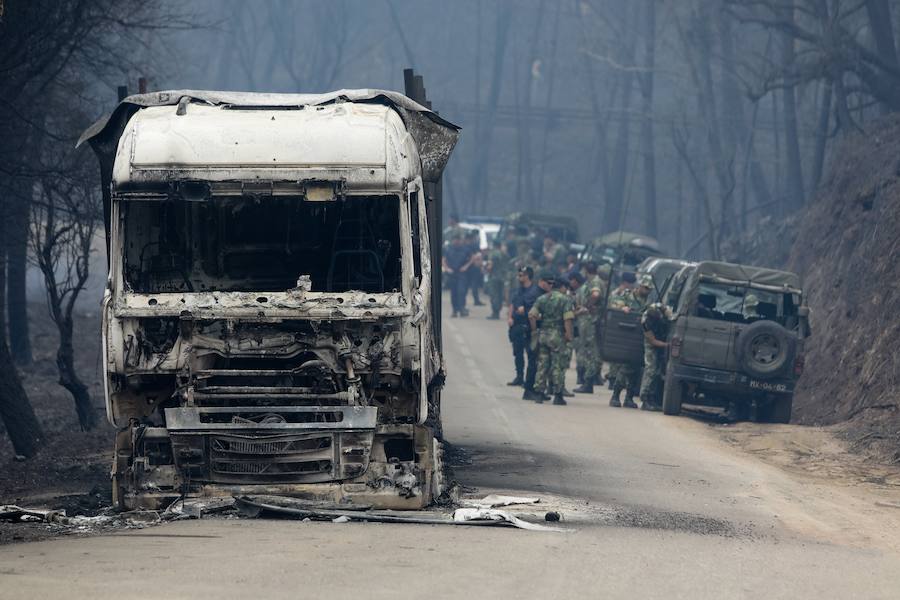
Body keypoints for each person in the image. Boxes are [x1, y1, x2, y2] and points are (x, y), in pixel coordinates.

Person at [528, 271, 575, 405]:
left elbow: (531, 315)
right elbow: (568, 319)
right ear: (562, 287)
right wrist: (569, 334)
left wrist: (534, 330)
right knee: (557, 366)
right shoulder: (565, 300)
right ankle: (558, 395)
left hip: (543, 335)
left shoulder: (542, 298)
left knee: (542, 364)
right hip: (557, 336)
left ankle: (539, 394)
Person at [607, 272, 650, 408]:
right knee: (626, 367)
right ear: (640, 286)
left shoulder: (647, 301)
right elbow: (613, 304)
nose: (647, 291)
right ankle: (615, 395)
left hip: (639, 337)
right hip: (625, 334)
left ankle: (629, 398)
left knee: (635, 368)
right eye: (645, 288)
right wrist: (622, 307)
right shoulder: (627, 295)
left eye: (649, 289)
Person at [573, 262, 606, 394]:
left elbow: (595, 295)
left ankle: (588, 383)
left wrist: (586, 306)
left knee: (590, 352)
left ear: (586, 270)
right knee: (589, 351)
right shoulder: (592, 281)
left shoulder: (595, 282)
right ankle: (588, 381)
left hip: (591, 320)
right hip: (589, 321)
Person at [507, 266, 542, 392]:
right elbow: (512, 304)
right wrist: (509, 317)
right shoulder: (517, 290)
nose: (519, 277)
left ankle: (529, 380)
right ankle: (519, 376)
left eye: (521, 275)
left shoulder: (535, 291)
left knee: (531, 353)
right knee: (517, 353)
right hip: (516, 325)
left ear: (527, 276)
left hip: (528, 325)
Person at [639, 300, 669, 411]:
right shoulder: (646, 322)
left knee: (658, 372)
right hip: (652, 344)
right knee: (650, 370)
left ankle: (652, 398)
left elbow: (669, 313)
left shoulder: (658, 307)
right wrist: (667, 345)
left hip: (661, 337)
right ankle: (645, 399)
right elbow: (652, 341)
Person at [442, 232, 473, 318]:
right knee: (454, 293)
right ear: (453, 240)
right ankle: (455, 310)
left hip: (462, 274)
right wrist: (447, 268)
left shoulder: (466, 249)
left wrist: (466, 267)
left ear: (460, 240)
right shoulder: (449, 249)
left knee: (461, 291)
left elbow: (472, 258)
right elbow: (443, 259)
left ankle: (462, 308)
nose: (456, 241)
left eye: (458, 240)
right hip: (452, 274)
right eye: (455, 240)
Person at [484, 238, 510, 320]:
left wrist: (486, 269)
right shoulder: (505, 254)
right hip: (503, 277)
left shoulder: (493, 253)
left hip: (494, 277)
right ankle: (497, 312)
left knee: (494, 295)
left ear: (494, 245)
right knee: (499, 295)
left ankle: (495, 313)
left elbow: (490, 265)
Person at [464, 229, 485, 306]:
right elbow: (478, 256)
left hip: (466, 266)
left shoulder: (466, 245)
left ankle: (463, 302)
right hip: (474, 266)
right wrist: (481, 266)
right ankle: (476, 300)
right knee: (474, 284)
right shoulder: (475, 244)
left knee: (468, 284)